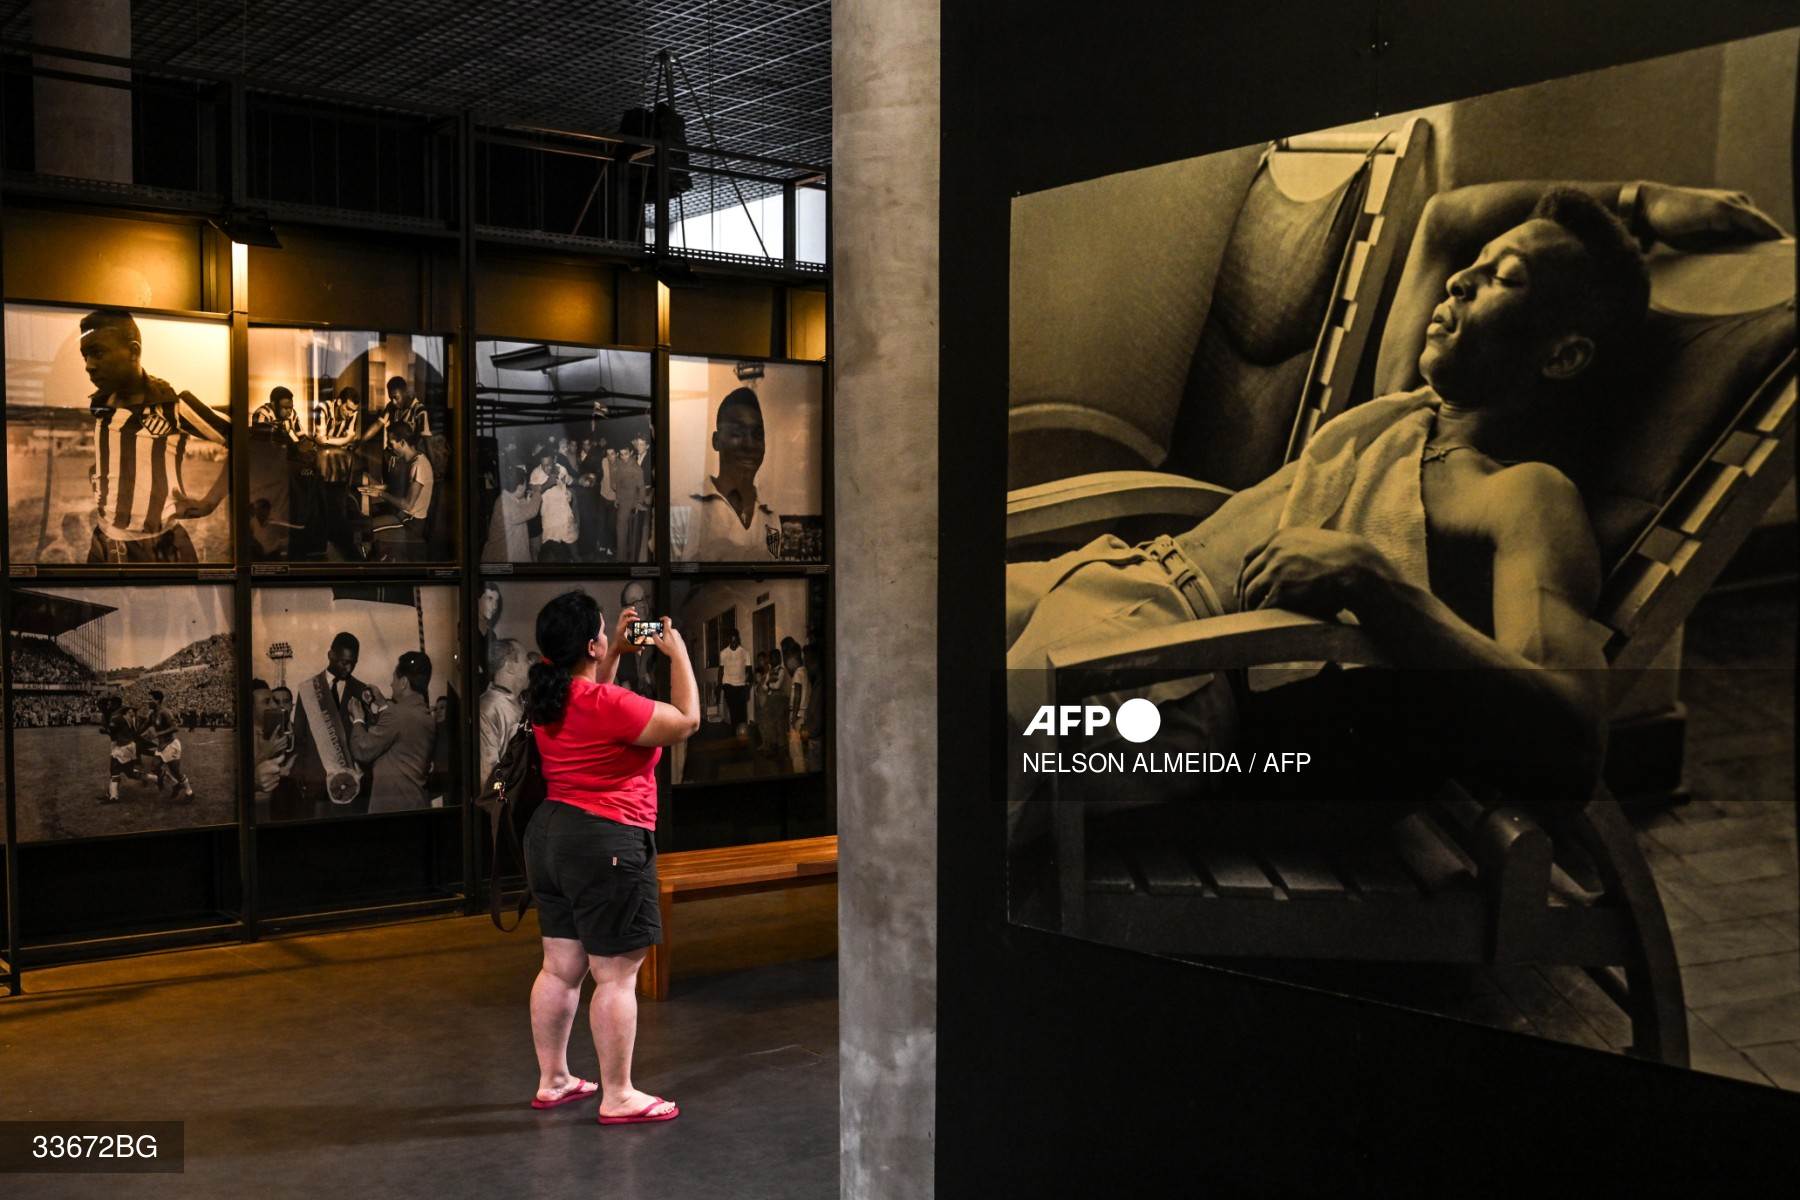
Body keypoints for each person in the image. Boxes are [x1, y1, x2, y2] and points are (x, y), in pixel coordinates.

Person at [1005, 186, 1675, 829]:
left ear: (1563, 355)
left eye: (1504, 277)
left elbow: (1572, 733)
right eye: (1472, 268)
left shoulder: (1521, 493)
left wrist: (1373, 581)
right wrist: (1638, 203)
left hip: (1160, 667)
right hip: (1105, 579)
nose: (1457, 282)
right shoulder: (1402, 410)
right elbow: (1445, 218)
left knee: (942, 753)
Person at [520, 589, 698, 1123]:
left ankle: (554, 1080)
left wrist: (613, 653)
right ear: (591, 645)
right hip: (606, 839)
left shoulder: (551, 697)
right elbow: (686, 721)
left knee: (560, 967)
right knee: (616, 976)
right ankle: (618, 1095)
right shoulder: (606, 703)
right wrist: (679, 654)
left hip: (551, 836)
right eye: (603, 632)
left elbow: (597, 703)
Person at [78, 308, 232, 563]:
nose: (89, 366)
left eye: (98, 353)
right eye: (85, 356)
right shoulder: (100, 405)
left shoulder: (172, 406)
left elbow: (247, 442)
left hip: (159, 546)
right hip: (105, 543)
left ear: (134, 351)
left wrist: (210, 501)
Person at [282, 631, 377, 819]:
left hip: (350, 781)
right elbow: (300, 737)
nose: (348, 668)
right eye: (343, 662)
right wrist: (300, 774)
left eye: (353, 663)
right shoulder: (308, 689)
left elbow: (367, 737)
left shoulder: (362, 691)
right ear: (330, 655)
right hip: (314, 780)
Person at [677, 388, 778, 560]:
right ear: (716, 441)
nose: (749, 445)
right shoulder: (682, 508)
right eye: (737, 433)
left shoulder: (771, 516)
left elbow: (772, 581)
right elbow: (666, 583)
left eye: (758, 435)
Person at [348, 651, 437, 813]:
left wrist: (358, 719)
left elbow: (362, 749)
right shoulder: (426, 716)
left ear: (403, 682)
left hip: (392, 809)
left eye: (394, 678)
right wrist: (382, 703)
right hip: (417, 804)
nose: (391, 684)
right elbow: (398, 733)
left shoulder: (396, 715)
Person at [368, 421, 435, 561]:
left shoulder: (419, 465)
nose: (389, 447)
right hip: (403, 516)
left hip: (411, 523)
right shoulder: (411, 461)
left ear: (403, 442)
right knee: (371, 516)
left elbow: (407, 505)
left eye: (391, 443)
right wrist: (378, 488)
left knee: (368, 528)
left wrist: (381, 494)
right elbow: (402, 490)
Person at [479, 637, 530, 785]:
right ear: (510, 666)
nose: (530, 665)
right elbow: (487, 775)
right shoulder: (487, 708)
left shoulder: (523, 703)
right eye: (525, 660)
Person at [143, 689, 195, 801]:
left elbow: (175, 728)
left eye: (150, 699)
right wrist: (134, 735)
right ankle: (176, 784)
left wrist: (158, 734)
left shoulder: (165, 712)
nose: (147, 701)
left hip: (171, 745)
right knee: (154, 767)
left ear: (157, 700)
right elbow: (144, 727)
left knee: (176, 771)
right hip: (162, 746)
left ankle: (189, 792)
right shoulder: (152, 714)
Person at [538, 461, 580, 562]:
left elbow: (572, 482)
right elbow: (535, 496)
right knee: (551, 556)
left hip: (565, 520)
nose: (549, 467)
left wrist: (570, 492)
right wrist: (547, 484)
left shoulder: (561, 470)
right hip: (550, 524)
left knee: (574, 553)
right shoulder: (537, 475)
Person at [717, 629, 752, 730]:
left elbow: (749, 672)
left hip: (741, 686)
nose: (733, 644)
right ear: (728, 640)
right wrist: (719, 687)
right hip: (728, 685)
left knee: (742, 714)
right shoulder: (723, 653)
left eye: (735, 641)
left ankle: (742, 734)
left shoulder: (745, 653)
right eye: (731, 641)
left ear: (738, 640)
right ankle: (734, 734)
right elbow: (720, 671)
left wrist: (748, 688)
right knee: (733, 711)